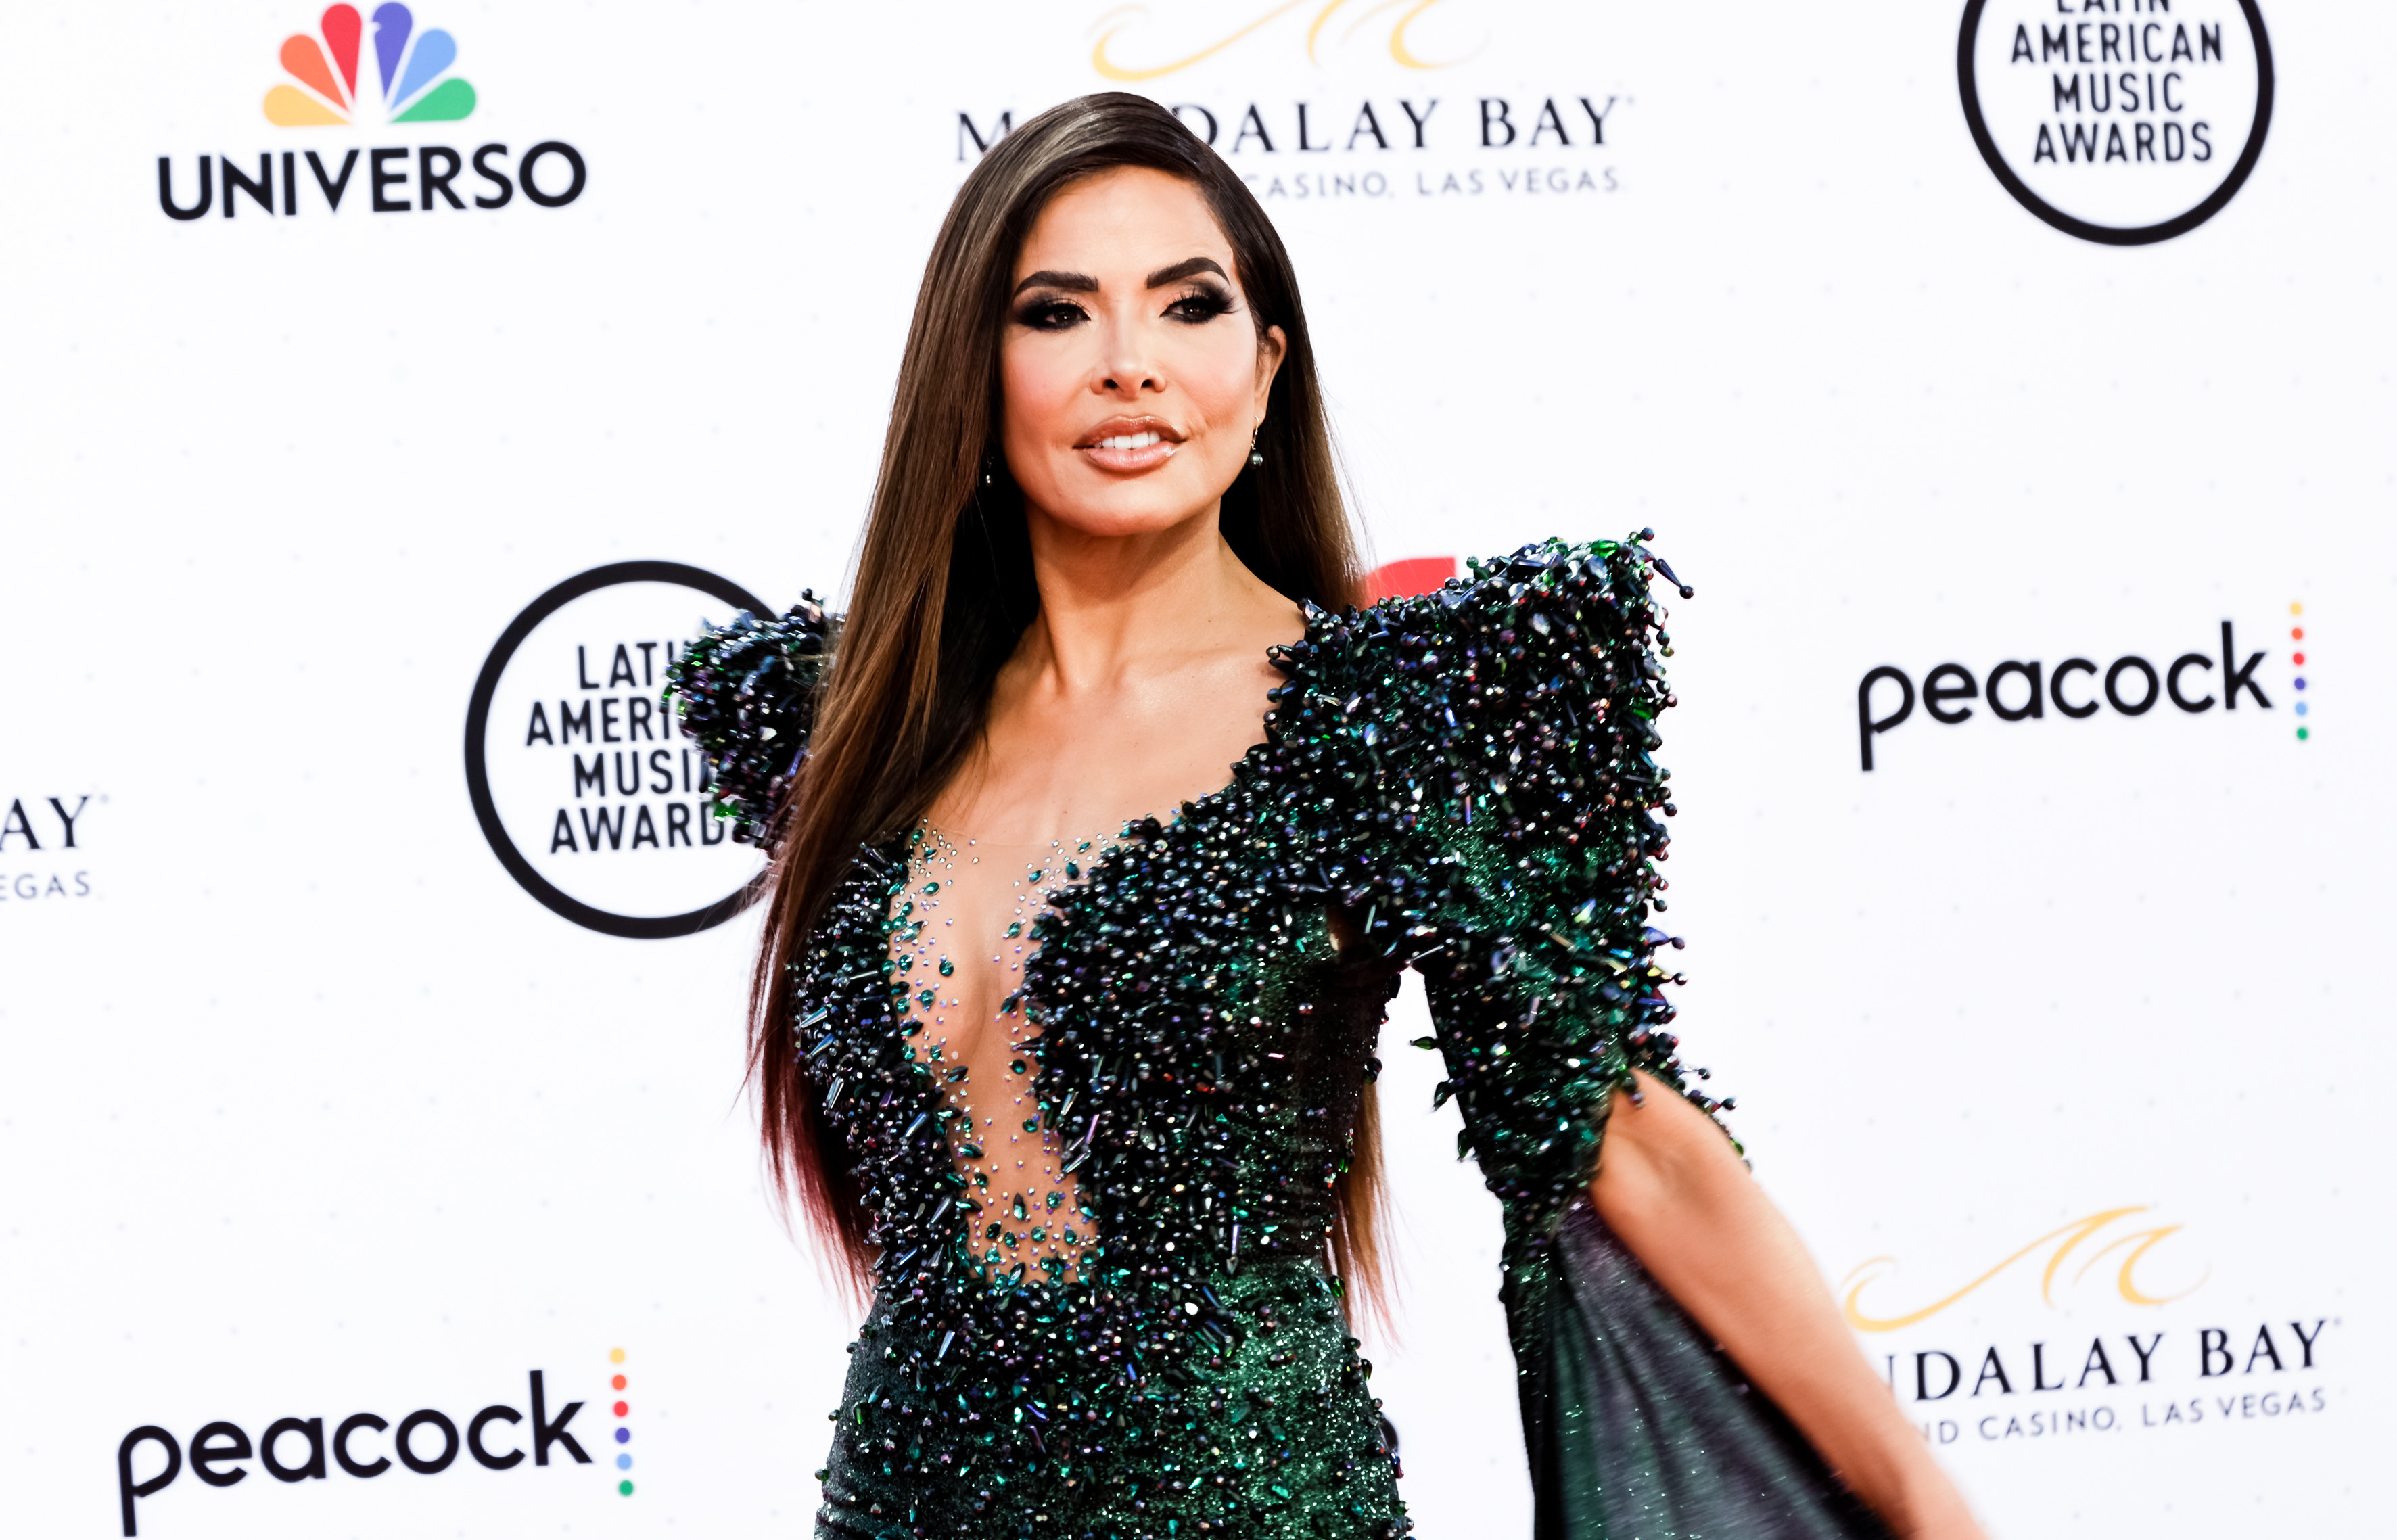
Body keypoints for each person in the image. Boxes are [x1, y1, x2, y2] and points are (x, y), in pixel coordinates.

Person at [668, 93, 1985, 1540]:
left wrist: (1923, 1503)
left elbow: (1632, 1140)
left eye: (1189, 306)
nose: (1128, 363)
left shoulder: (1390, 713)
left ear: (1265, 367)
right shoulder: (849, 724)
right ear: (973, 371)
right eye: (1057, 313)